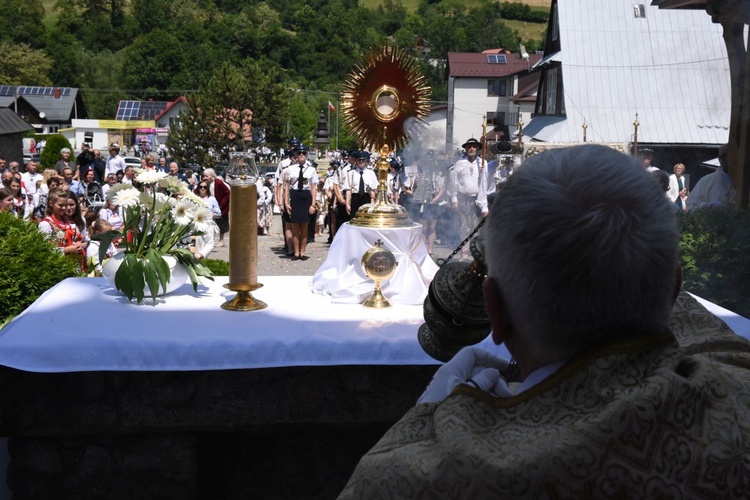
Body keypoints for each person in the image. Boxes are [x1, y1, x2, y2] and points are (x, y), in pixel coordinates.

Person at [339, 144, 750, 498]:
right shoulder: (736, 394)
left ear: (494, 311)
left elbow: (371, 482)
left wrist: (423, 416)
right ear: (675, 285)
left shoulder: (419, 480)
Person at [448, 138, 492, 249]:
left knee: (476, 227)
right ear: (466, 149)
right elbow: (454, 182)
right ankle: (464, 252)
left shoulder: (483, 163)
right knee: (464, 227)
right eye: (469, 147)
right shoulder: (460, 163)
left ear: (478, 149)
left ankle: (476, 251)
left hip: (478, 199)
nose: (471, 148)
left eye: (474, 147)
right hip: (463, 198)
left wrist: (483, 171)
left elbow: (486, 183)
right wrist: (454, 199)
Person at [283, 144, 318, 260]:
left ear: (307, 155)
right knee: (295, 227)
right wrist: (286, 202)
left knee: (304, 226)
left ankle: (303, 251)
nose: (301, 155)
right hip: (295, 196)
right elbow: (287, 187)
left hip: (306, 196)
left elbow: (313, 188)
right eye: (299, 153)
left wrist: (313, 204)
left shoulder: (312, 169)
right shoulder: (290, 169)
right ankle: (296, 252)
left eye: (304, 153)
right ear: (296, 156)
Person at [38, 190, 88, 259]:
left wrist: (77, 245)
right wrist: (67, 250)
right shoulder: (45, 224)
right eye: (60, 205)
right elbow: (44, 249)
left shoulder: (66, 220)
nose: (64, 208)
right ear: (51, 203)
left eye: (65, 205)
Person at [686, 143, 735, 209]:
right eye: (723, 156)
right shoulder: (705, 181)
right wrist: (708, 206)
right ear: (719, 158)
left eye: (730, 156)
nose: (726, 159)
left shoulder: (745, 182)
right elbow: (690, 204)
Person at [344, 150, 377, 217]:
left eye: (363, 160)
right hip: (355, 198)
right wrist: (347, 204)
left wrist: (372, 204)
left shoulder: (371, 173)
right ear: (356, 161)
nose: (361, 162)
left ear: (366, 161)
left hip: (366, 197)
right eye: (359, 160)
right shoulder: (351, 173)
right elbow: (348, 190)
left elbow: (373, 190)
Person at [202, 168, 230, 246]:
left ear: (211, 176)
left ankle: (221, 240)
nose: (204, 178)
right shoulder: (204, 183)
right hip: (210, 205)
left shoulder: (218, 182)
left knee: (222, 222)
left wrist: (222, 204)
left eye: (206, 176)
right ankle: (209, 239)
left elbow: (227, 192)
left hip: (221, 205)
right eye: (204, 176)